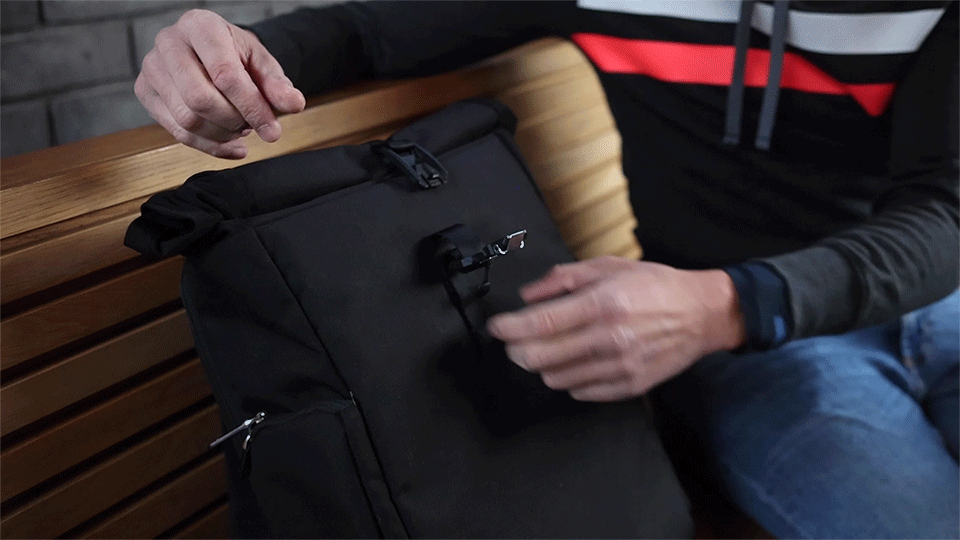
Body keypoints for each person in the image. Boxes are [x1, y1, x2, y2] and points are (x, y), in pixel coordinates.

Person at [135, 1, 960, 537]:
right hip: (751, 347)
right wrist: (226, 53)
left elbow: (948, 208)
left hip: (854, 299)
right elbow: (368, 32)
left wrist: (732, 302)